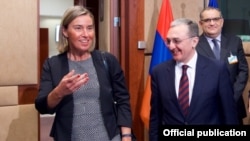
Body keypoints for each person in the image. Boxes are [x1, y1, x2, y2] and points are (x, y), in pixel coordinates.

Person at [35, 5, 134, 141]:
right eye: (78, 28)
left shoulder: (107, 60)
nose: (86, 34)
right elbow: (42, 107)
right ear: (65, 31)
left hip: (110, 137)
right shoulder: (52, 65)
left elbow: (123, 100)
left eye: (90, 28)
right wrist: (59, 92)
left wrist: (126, 136)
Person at [149, 18, 239, 141]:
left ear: (194, 41)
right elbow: (156, 118)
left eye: (176, 41)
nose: (171, 46)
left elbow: (229, 115)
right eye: (168, 41)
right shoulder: (159, 72)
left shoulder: (217, 70)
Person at [196, 7, 249, 124]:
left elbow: (243, 71)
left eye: (215, 19)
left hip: (233, 105)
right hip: (205, 109)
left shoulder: (234, 41)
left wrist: (231, 97)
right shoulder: (194, 45)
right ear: (201, 23)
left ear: (222, 21)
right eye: (207, 20)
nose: (212, 23)